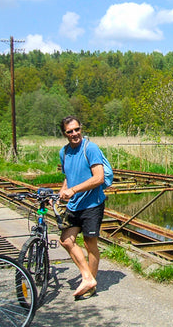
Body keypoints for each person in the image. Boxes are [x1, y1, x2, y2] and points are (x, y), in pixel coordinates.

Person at [58, 116, 106, 300]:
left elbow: (99, 178)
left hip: (92, 204)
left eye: (77, 129)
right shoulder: (64, 152)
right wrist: (62, 192)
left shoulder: (90, 148)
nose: (74, 134)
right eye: (70, 131)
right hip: (74, 205)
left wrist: (74, 189)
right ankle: (88, 277)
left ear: (81, 129)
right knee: (66, 240)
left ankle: (90, 284)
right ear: (64, 133)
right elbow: (68, 176)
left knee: (89, 243)